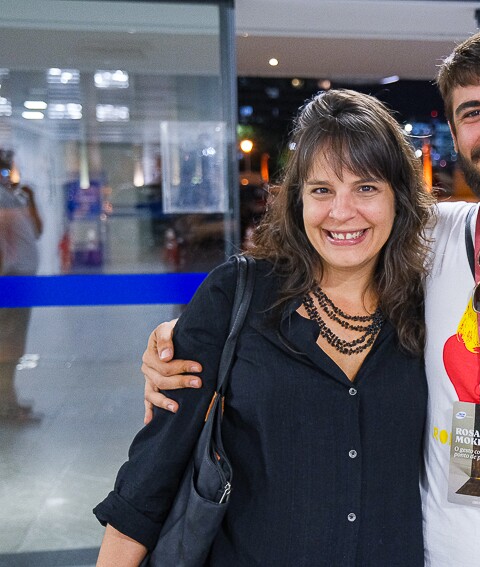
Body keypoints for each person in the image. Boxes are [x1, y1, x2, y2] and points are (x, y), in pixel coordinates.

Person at [141, 24, 480, 565]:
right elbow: (333, 239)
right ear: (455, 134)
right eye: (472, 112)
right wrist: (183, 342)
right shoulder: (426, 236)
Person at [94, 89, 436, 565]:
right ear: (296, 200)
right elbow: (152, 474)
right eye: (322, 190)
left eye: (366, 187)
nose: (342, 212)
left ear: (398, 198)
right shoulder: (237, 294)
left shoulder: (430, 308)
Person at [0, 149, 42, 421]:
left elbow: (36, 231)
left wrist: (30, 200)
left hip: (19, 281)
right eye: (5, 170)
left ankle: (9, 400)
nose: (9, 175)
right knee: (7, 346)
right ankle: (6, 405)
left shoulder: (13, 197)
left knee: (13, 346)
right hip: (10, 282)